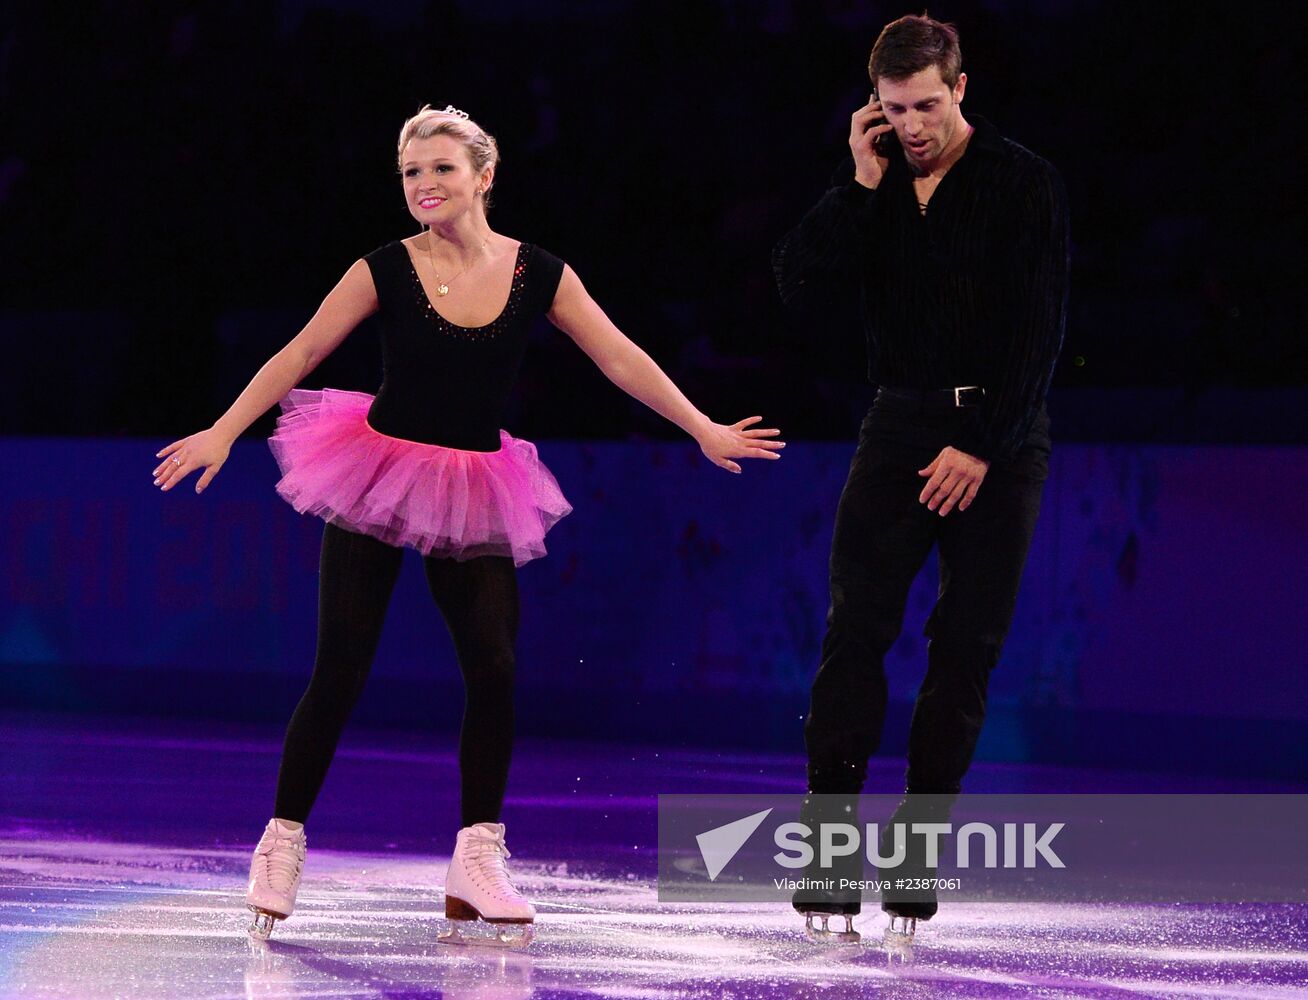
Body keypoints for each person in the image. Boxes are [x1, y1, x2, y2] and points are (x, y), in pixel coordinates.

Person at [152, 104, 784, 944]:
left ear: (484, 176)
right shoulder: (384, 267)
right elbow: (301, 352)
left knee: (494, 665)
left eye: (442, 168)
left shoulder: (539, 273)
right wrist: (225, 430)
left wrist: (700, 426)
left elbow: (618, 355)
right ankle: (282, 841)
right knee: (341, 666)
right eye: (411, 172)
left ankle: (477, 856)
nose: (424, 184)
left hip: (476, 481)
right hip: (376, 471)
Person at [773, 15, 1069, 943]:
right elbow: (796, 287)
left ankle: (915, 853)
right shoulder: (875, 183)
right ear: (874, 105)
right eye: (895, 110)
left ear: (961, 88)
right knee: (854, 633)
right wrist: (859, 186)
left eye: (928, 106)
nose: (912, 126)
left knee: (966, 647)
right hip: (899, 424)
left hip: (1001, 437)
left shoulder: (1023, 181)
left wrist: (979, 442)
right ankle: (828, 860)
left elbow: (1039, 332)